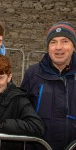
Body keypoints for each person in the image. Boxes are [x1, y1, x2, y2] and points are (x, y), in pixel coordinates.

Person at [21, 22, 76, 150]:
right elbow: (21, 110)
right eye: (53, 42)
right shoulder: (33, 74)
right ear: (47, 47)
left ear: (73, 46)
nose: (58, 47)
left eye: (65, 41)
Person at [0, 54, 45, 150]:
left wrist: (0, 127)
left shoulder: (19, 99)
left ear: (9, 77)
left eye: (0, 77)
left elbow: (37, 126)